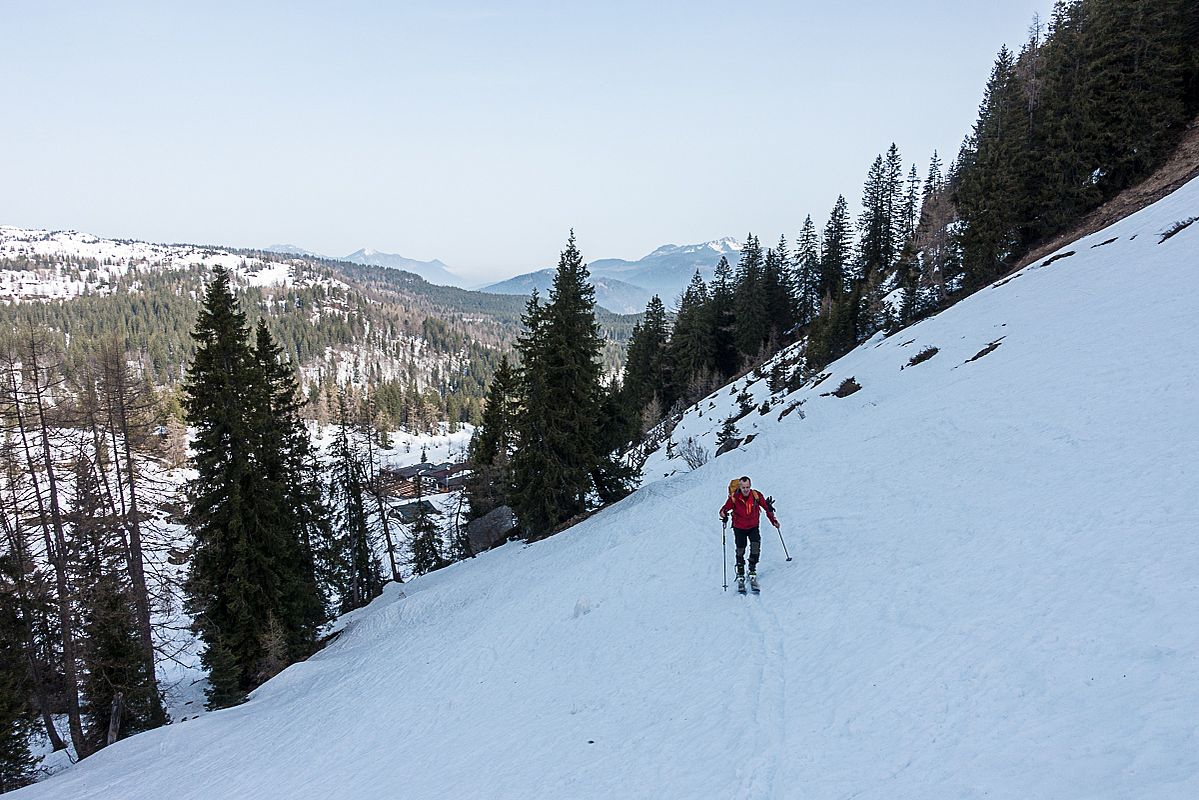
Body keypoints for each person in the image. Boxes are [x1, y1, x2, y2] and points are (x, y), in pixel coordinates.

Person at [719, 476, 779, 589]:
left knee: (755, 547)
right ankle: (740, 572)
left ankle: (752, 569)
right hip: (739, 527)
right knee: (740, 549)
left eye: (747, 487)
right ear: (740, 487)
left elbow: (767, 509)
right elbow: (723, 509)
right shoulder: (734, 497)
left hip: (753, 526)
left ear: (750, 486)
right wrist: (723, 514)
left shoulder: (756, 496)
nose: (746, 490)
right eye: (743, 487)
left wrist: (774, 521)